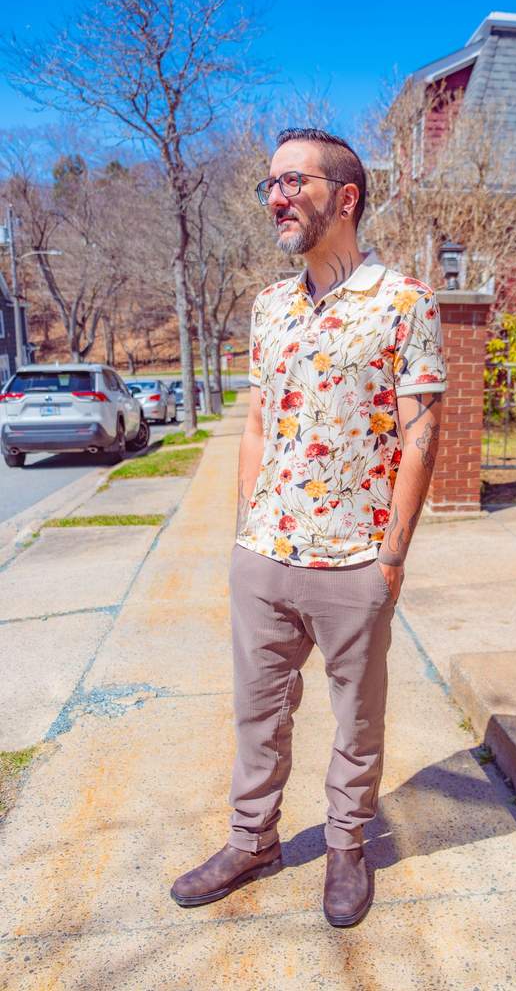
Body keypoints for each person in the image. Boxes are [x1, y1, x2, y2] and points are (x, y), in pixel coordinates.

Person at [171, 128, 446, 926]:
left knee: (357, 722)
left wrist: (390, 558)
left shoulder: (404, 301)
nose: (276, 197)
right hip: (266, 555)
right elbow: (258, 422)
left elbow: (422, 434)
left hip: (355, 559)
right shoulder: (270, 307)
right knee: (257, 715)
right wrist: (244, 530)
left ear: (345, 197)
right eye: (270, 184)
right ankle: (251, 841)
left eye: (293, 181)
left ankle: (347, 847)